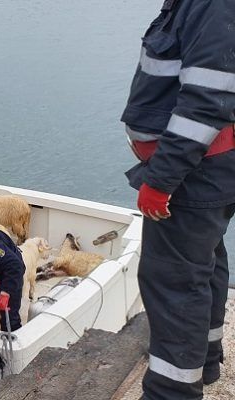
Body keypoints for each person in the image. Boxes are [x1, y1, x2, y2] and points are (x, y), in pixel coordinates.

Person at [121, 1, 235, 398]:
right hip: (210, 169)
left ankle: (170, 392)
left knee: (174, 284)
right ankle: (204, 360)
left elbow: (205, 102)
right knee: (203, 265)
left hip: (194, 174)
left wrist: (162, 181)